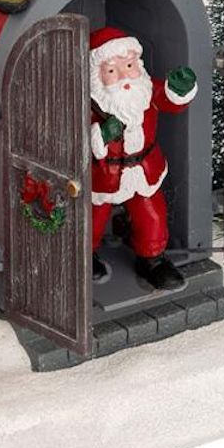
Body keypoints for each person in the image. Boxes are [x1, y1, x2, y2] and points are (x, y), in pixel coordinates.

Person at [88, 27, 197, 290]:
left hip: (143, 170)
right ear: (97, 75)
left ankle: (152, 260)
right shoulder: (90, 103)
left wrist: (179, 89)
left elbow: (169, 100)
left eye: (129, 66)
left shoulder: (145, 90)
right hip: (103, 176)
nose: (124, 77)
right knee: (91, 220)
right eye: (112, 71)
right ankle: (84, 255)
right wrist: (100, 134)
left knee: (152, 216)